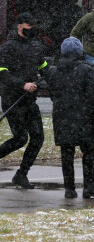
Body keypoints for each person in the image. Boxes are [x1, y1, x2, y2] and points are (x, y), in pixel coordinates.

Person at [45, 37, 94, 199]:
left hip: (62, 118)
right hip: (85, 119)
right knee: (88, 153)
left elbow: (53, 96)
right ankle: (89, 187)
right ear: (80, 52)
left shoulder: (53, 71)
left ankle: (69, 189)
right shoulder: (86, 70)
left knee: (67, 154)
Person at [0, 12, 49, 189]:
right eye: (30, 27)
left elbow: (45, 68)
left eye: (34, 27)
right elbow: (2, 73)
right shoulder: (7, 47)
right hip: (12, 100)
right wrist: (22, 85)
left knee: (38, 138)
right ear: (20, 26)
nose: (33, 30)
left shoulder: (36, 47)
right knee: (20, 138)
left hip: (29, 102)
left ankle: (21, 174)